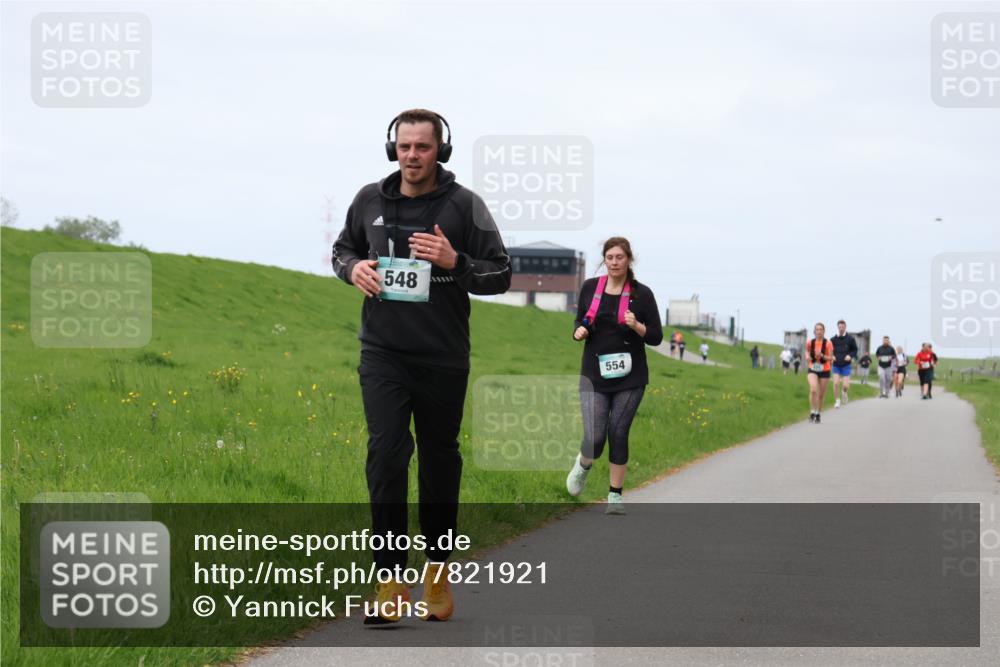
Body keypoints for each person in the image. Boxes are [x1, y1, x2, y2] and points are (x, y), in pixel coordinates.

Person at [332, 109, 511, 624]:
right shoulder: (369, 199)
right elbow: (343, 250)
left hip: (443, 357)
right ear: (394, 149)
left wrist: (456, 262)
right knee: (386, 457)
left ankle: (436, 568)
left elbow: (501, 274)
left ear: (441, 151)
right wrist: (354, 269)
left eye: (423, 148)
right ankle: (389, 581)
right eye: (405, 147)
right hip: (383, 353)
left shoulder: (465, 206)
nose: (412, 156)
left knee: (438, 462)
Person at [566, 237, 663, 515]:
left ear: (629, 259)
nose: (614, 262)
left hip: (630, 377)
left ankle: (615, 496)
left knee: (618, 431)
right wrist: (578, 332)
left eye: (620, 257)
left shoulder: (642, 295)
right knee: (595, 438)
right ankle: (584, 464)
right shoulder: (589, 288)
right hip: (594, 374)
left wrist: (637, 326)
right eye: (610, 257)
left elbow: (656, 337)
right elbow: (579, 320)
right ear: (604, 260)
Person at [805, 322, 834, 423]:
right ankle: (812, 412)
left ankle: (818, 413)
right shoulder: (810, 342)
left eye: (821, 329)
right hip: (812, 368)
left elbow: (830, 357)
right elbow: (807, 351)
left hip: (824, 369)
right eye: (817, 329)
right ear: (814, 331)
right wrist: (807, 356)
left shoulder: (828, 343)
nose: (819, 331)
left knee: (821, 394)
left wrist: (822, 355)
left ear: (824, 331)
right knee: (813, 389)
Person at [830, 319, 858, 408]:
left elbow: (855, 350)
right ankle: (837, 400)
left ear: (845, 327)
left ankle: (844, 393)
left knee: (845, 385)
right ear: (838, 328)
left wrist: (850, 356)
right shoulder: (833, 339)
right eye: (840, 327)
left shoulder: (850, 339)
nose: (841, 328)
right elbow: (829, 350)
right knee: (836, 383)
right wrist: (832, 356)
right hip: (836, 364)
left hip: (846, 365)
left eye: (843, 327)